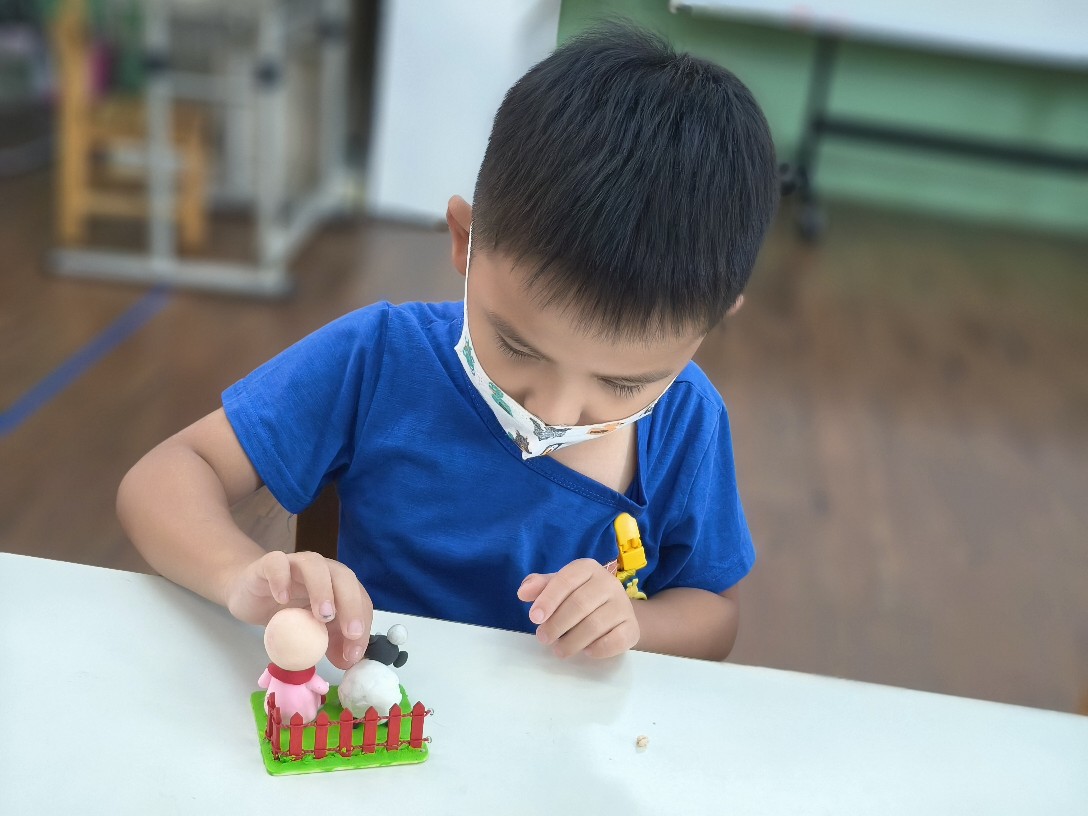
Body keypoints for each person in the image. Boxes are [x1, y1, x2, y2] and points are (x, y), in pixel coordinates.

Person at [116, 22, 779, 670]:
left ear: (713, 322)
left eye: (623, 385)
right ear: (464, 239)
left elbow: (714, 612)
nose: (553, 412)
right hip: (375, 706)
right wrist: (240, 575)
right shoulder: (378, 359)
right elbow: (165, 477)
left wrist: (635, 624)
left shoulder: (688, 423)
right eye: (518, 347)